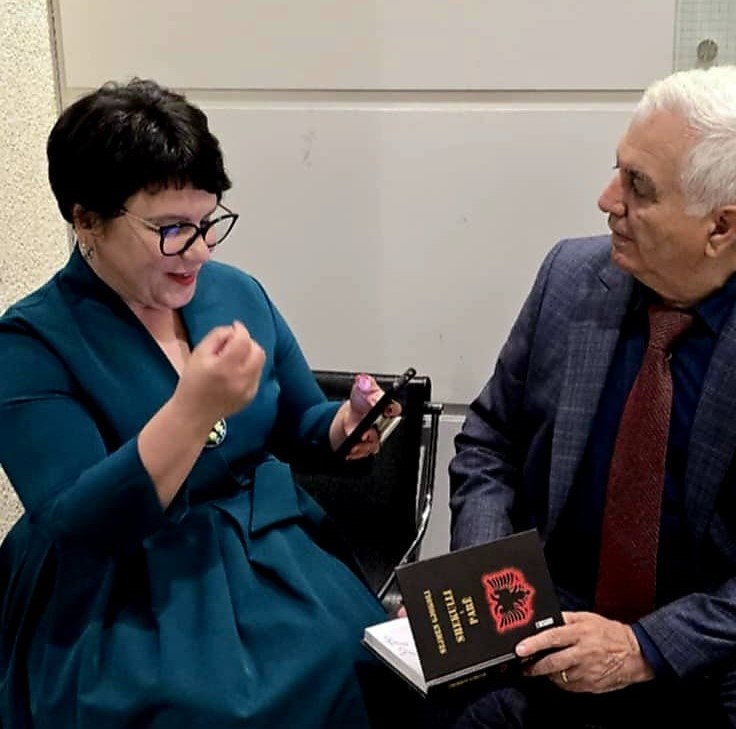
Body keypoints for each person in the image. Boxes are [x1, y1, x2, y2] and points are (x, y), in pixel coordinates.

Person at [447, 65, 736, 727]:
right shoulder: (569, 279)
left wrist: (644, 646)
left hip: (731, 630)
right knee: (433, 697)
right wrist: (486, 582)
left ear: (721, 227)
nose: (606, 199)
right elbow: (490, 441)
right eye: (617, 170)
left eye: (638, 187)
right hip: (560, 602)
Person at [0, 78, 421, 728]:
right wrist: (191, 413)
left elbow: (295, 420)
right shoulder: (31, 341)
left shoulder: (234, 292)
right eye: (170, 229)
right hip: (126, 597)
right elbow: (79, 525)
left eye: (207, 221)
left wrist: (342, 427)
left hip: (269, 560)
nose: (198, 251)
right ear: (86, 219)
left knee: (364, 671)